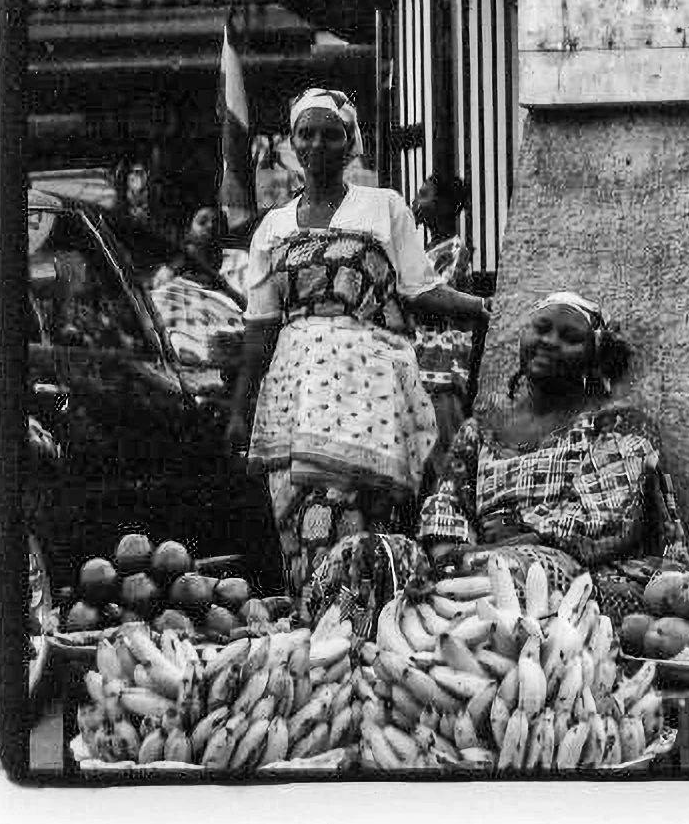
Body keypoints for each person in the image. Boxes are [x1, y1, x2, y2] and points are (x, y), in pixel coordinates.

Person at [225, 87, 490, 609]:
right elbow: (260, 326)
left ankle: (366, 628)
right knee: (296, 512)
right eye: (307, 133)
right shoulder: (272, 227)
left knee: (359, 514)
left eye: (332, 133)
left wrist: (482, 307)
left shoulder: (384, 207)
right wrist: (240, 407)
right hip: (294, 386)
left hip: (365, 385)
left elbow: (420, 288)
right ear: (292, 145)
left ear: (351, 143)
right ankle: (310, 625)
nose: (318, 144)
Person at [417, 291, 689, 618]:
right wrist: (449, 557)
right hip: (476, 560)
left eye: (570, 337)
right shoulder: (480, 430)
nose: (549, 341)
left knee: (511, 573)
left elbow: (604, 520)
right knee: (371, 554)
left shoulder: (617, 426)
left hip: (584, 574)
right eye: (541, 328)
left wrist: (497, 548)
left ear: (594, 357)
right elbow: (447, 505)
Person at [409, 174, 483, 453]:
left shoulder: (454, 250)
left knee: (443, 446)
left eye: (425, 194)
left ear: (444, 205)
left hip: (443, 364)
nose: (416, 201)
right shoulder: (427, 250)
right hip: (425, 362)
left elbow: (436, 298)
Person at [149, 205, 247, 371]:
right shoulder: (167, 279)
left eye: (216, 223)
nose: (210, 227)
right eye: (203, 222)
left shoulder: (240, 261)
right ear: (187, 231)